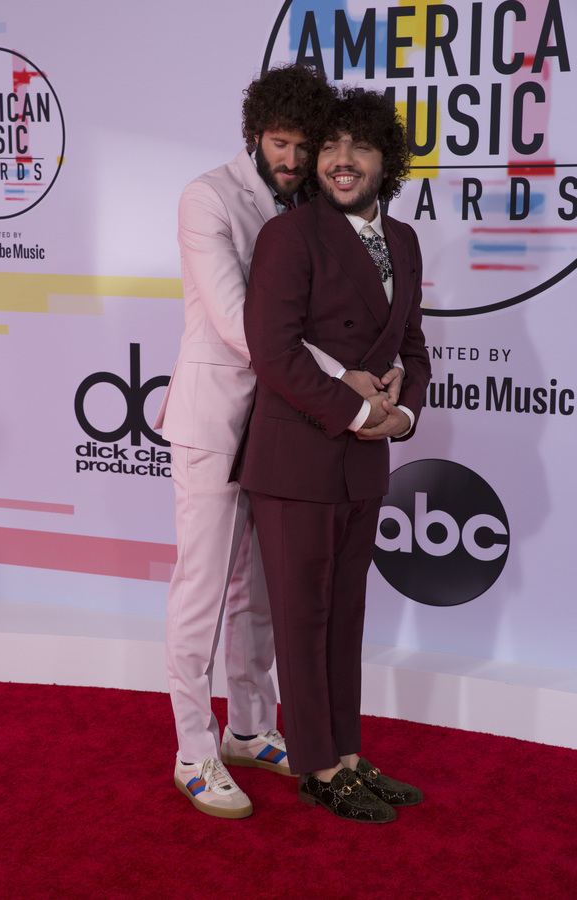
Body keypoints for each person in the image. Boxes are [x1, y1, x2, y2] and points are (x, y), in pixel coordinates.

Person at [154, 67, 402, 820]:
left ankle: (251, 727)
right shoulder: (207, 197)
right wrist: (351, 380)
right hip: (213, 420)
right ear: (254, 134)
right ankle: (194, 749)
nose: (293, 159)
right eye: (279, 142)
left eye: (303, 144)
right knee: (202, 589)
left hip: (283, 425)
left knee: (256, 589)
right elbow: (246, 327)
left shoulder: (307, 205)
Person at [239, 88, 432, 823]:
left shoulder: (406, 243)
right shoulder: (291, 237)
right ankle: (318, 767)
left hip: (364, 462)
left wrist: (404, 411)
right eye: (330, 148)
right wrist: (356, 411)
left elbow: (412, 349)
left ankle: (347, 754)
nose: (342, 161)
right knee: (303, 616)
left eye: (360, 148)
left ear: (387, 162)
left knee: (344, 616)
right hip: (298, 457)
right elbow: (274, 354)